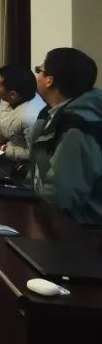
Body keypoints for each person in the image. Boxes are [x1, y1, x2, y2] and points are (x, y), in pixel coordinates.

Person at [29, 48, 102, 225]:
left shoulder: (79, 126)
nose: (37, 75)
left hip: (81, 230)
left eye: (39, 70)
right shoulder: (50, 113)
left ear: (49, 80)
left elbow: (62, 193)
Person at [0, 65, 46, 161]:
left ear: (13, 94)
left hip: (21, 163)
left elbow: (34, 154)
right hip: (6, 148)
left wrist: (6, 150)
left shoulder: (30, 118)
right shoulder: (8, 98)